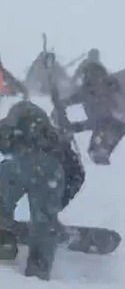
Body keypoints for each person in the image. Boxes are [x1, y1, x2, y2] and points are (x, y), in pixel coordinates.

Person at [0, 101, 71, 278]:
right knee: (44, 224)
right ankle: (38, 269)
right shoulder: (56, 141)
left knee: (2, 204)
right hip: (49, 172)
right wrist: (54, 210)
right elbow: (74, 175)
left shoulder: (10, 128)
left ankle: (4, 242)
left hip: (17, 168)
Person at [63, 61, 125, 165]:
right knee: (111, 127)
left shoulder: (100, 84)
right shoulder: (98, 85)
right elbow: (76, 98)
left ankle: (101, 150)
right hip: (101, 119)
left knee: (113, 128)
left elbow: (74, 98)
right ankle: (99, 150)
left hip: (102, 119)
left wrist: (62, 103)